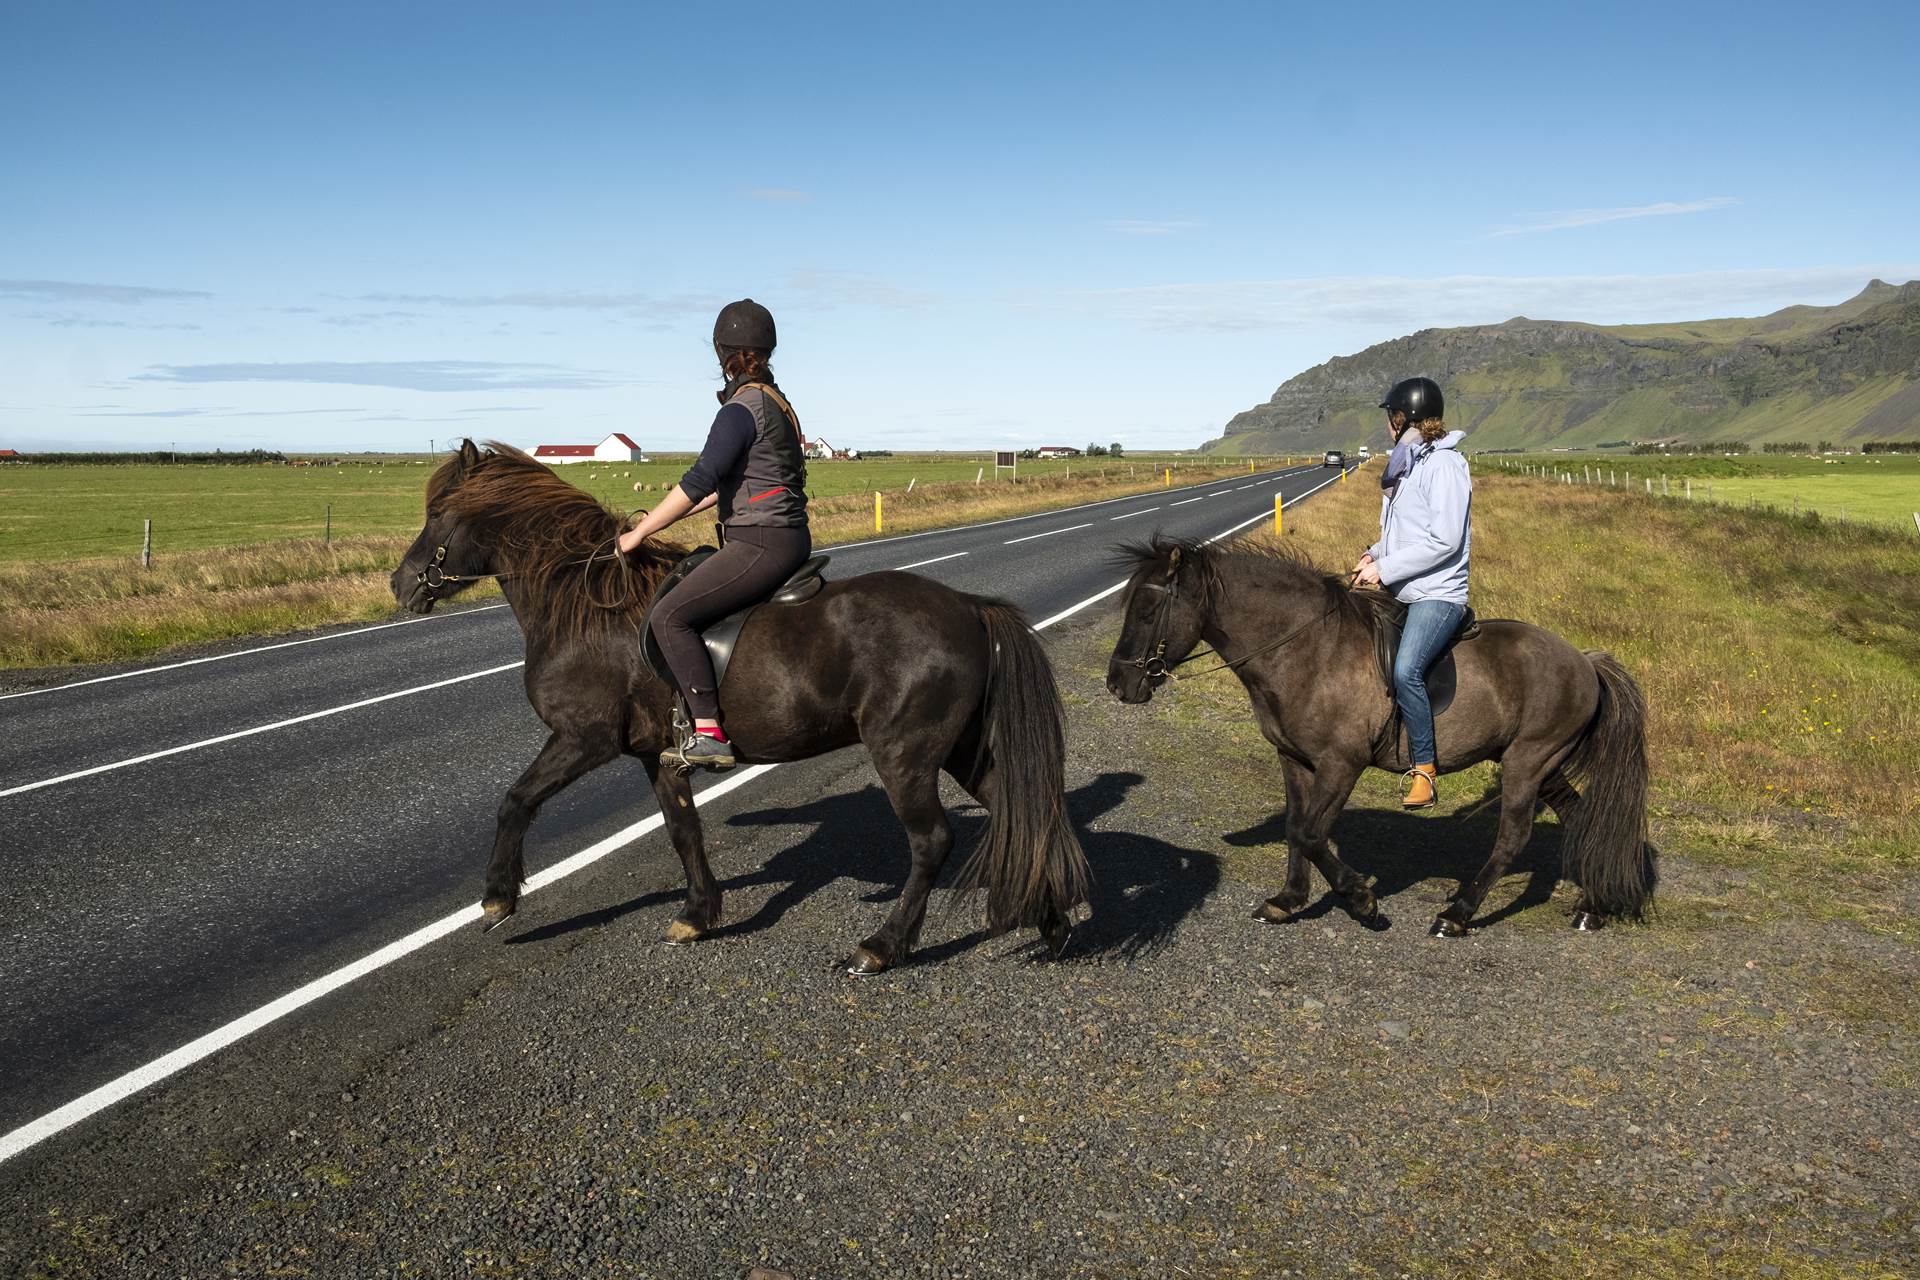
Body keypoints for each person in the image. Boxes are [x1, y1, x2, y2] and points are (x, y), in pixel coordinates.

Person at [616, 299, 811, 770]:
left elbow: (700, 479)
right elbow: (722, 488)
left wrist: (638, 533)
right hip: (786, 534)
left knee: (669, 616)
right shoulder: (776, 402)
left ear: (722, 353)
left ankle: (708, 732)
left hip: (762, 541)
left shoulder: (741, 409)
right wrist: (670, 519)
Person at [1351, 376, 1470, 809]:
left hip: (1437, 593)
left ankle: (1424, 769)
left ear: (1405, 418)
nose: (1387, 424)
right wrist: (1372, 555)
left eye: (1390, 416)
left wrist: (1386, 568)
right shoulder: (1408, 463)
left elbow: (1444, 541)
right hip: (1402, 585)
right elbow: (1402, 535)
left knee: (1405, 671)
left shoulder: (1444, 465)